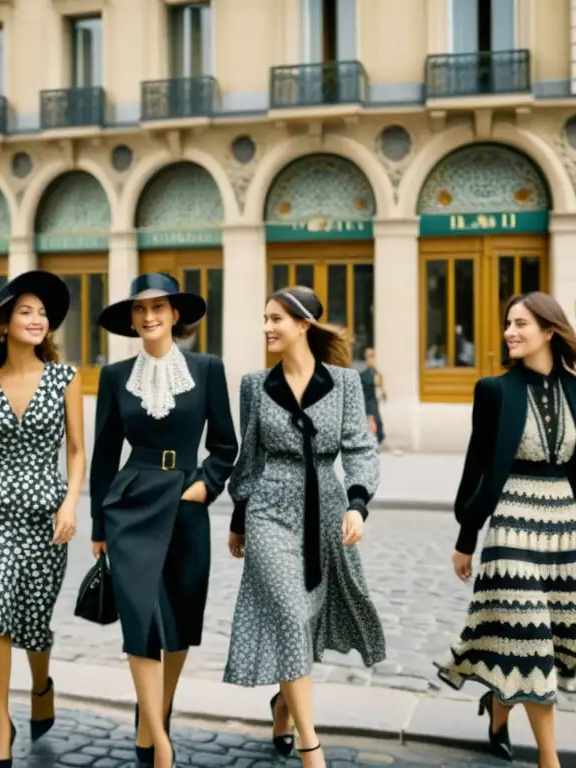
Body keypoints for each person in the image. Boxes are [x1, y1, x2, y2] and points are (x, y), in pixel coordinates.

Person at [434, 291, 576, 768]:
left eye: (521, 324)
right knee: (531, 642)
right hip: (512, 524)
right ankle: (549, 760)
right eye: (508, 324)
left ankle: (498, 708)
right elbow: (476, 468)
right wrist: (465, 538)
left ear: (549, 331)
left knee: (558, 640)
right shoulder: (495, 390)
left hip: (566, 530)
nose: (510, 332)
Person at [224, 285, 385, 768]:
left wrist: (357, 504)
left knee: (309, 616)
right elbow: (248, 457)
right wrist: (238, 520)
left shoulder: (346, 383)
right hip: (269, 509)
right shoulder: (255, 385)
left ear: (304, 325)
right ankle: (310, 746)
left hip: (327, 510)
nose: (268, 327)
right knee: (292, 616)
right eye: (266, 318)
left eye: (277, 318)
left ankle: (283, 704)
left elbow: (359, 446)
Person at [89, 272, 238, 768]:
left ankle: (155, 715)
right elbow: (104, 454)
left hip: (186, 503)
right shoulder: (114, 377)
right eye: (140, 310)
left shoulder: (208, 367)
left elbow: (224, 445)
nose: (149, 316)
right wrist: (97, 527)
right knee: (140, 620)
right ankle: (160, 743)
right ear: (132, 320)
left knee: (178, 623)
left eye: (159, 308)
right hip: (130, 504)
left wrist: (206, 486)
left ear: (176, 315)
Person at [0, 270, 85, 768]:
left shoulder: (65, 378)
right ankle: (1, 721)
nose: (37, 319)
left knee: (34, 618)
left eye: (42, 313)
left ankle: (40, 684)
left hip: (47, 515)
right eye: (25, 311)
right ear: (4, 323)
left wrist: (71, 502)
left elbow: (76, 451)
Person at [358, 347, 385, 446]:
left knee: (376, 423)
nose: (371, 358)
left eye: (373, 356)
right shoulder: (364, 373)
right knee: (371, 422)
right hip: (366, 401)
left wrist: (383, 392)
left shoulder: (374, 372)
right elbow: (377, 381)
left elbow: (379, 383)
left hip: (371, 401)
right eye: (369, 356)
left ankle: (374, 440)